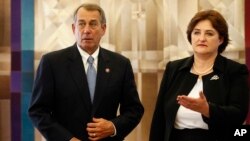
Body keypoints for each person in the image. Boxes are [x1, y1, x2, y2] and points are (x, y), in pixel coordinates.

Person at [28, 3, 144, 141]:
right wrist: (67, 139)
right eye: (81, 24)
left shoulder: (121, 64)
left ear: (103, 29)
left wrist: (113, 127)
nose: (86, 30)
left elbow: (134, 110)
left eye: (93, 24)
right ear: (73, 28)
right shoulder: (52, 62)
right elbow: (38, 112)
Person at [149, 9, 249, 141]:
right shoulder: (174, 68)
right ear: (190, 36)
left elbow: (238, 115)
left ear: (220, 39)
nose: (201, 38)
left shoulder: (234, 70)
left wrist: (208, 110)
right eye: (196, 33)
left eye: (209, 34)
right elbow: (159, 118)